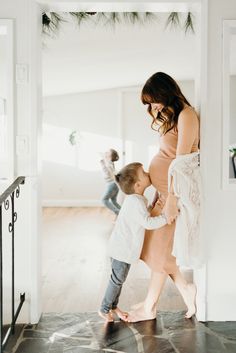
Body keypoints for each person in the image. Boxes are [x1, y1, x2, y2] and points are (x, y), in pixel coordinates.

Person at [128, 72, 199, 322]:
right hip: (164, 193)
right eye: (149, 103)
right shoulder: (171, 117)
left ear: (165, 92)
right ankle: (185, 289)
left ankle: (150, 307)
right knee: (155, 250)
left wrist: (170, 198)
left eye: (153, 100)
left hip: (175, 196)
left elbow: (181, 164)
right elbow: (166, 156)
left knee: (160, 253)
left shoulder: (187, 115)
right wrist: (158, 193)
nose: (152, 107)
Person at [98, 162, 167, 322]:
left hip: (121, 249)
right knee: (117, 280)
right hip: (122, 250)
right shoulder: (135, 202)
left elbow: (143, 214)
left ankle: (114, 307)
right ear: (138, 185)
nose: (148, 172)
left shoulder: (136, 199)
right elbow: (147, 222)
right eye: (144, 173)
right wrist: (165, 217)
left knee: (119, 280)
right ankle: (104, 308)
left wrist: (154, 203)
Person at [100, 149, 121, 215]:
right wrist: (103, 162)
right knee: (114, 201)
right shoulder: (110, 163)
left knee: (104, 200)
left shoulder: (109, 163)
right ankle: (123, 213)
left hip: (112, 185)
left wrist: (103, 163)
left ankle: (118, 212)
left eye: (108, 152)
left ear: (110, 156)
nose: (106, 152)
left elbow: (108, 173)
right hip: (114, 185)